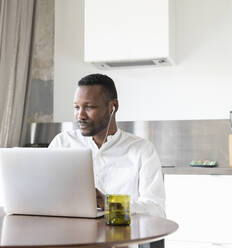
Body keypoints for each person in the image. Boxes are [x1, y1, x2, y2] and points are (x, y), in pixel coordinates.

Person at [49, 73, 165, 217]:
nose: (80, 115)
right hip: (70, 235)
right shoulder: (62, 142)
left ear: (113, 107)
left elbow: (156, 210)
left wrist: (111, 204)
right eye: (76, 107)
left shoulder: (142, 150)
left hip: (122, 237)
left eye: (89, 107)